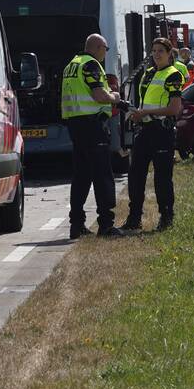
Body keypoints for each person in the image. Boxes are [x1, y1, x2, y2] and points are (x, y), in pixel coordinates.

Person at [61, 33, 127, 239]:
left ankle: (77, 224)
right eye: (105, 49)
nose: (105, 53)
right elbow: (99, 95)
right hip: (93, 126)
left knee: (81, 176)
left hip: (76, 125)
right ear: (98, 47)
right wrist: (115, 97)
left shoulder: (72, 65)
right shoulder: (90, 65)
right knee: (102, 175)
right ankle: (106, 225)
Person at [122, 38, 184, 232]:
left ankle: (166, 218)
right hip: (144, 130)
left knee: (162, 177)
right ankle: (134, 218)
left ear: (169, 54)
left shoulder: (173, 75)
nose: (156, 54)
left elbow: (174, 109)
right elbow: (145, 102)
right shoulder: (148, 73)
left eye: (161, 51)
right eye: (154, 51)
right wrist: (138, 115)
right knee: (135, 175)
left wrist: (146, 113)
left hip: (162, 131)